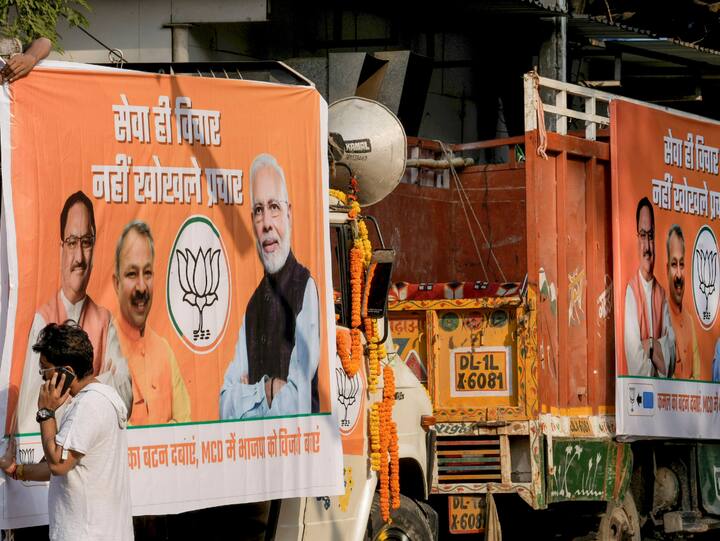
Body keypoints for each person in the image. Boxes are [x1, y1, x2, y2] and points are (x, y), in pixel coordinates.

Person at [1, 322, 133, 541]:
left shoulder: (89, 405)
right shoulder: (98, 398)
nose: (43, 378)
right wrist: (15, 469)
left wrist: (45, 412)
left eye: (45, 370)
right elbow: (53, 467)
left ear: (66, 372)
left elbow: (58, 464)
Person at [17, 191, 132, 434]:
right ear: (61, 248)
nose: (79, 257)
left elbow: (124, 399)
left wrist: (68, 396)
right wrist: (102, 382)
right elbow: (33, 410)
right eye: (71, 242)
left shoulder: (104, 321)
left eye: (86, 242)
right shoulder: (43, 320)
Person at [220, 153, 320, 419]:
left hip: (298, 457)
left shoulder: (306, 290)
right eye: (258, 211)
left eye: (274, 207)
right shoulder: (252, 308)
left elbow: (297, 404)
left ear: (289, 213)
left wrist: (247, 398)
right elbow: (224, 407)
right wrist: (267, 391)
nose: (266, 224)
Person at [113, 220, 190, 425]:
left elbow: (185, 425)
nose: (141, 287)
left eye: (147, 273)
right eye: (131, 274)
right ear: (116, 283)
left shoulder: (164, 352)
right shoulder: (104, 351)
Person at [623, 197, 675, 377]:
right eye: (643, 235)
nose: (647, 246)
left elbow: (671, 362)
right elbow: (636, 364)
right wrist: (659, 356)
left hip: (662, 401)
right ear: (636, 238)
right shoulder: (631, 292)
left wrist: (650, 345)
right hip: (640, 401)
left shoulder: (662, 295)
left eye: (651, 236)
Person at [666, 225, 700, 379]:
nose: (679, 274)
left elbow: (697, 378)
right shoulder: (661, 319)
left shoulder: (690, 322)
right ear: (667, 269)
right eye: (674, 265)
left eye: (682, 264)